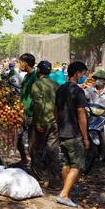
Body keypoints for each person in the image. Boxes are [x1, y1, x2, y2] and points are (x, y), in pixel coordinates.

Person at [55, 61, 90, 208]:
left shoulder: (61, 89)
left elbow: (55, 111)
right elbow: (81, 115)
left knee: (66, 163)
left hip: (62, 132)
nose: (83, 76)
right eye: (83, 73)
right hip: (74, 133)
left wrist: (59, 125)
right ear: (77, 73)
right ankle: (63, 194)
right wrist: (85, 137)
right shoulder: (78, 91)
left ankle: (66, 192)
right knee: (76, 165)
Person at [30, 60, 62, 189]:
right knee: (53, 151)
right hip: (54, 122)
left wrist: (37, 121)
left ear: (38, 71)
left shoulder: (37, 85)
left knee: (35, 150)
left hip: (42, 122)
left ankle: (37, 180)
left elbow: (38, 104)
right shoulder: (56, 84)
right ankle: (55, 182)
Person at [83, 69, 105, 161]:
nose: (98, 81)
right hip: (91, 115)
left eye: (100, 79)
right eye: (96, 79)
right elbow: (83, 97)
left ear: (104, 80)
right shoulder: (90, 90)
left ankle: (102, 153)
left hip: (102, 117)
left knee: (103, 134)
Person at [16, 53, 38, 165]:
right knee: (18, 137)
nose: (19, 64)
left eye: (20, 62)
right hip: (22, 113)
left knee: (32, 141)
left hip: (31, 114)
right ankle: (24, 158)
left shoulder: (35, 77)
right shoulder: (26, 76)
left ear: (25, 63)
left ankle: (36, 165)